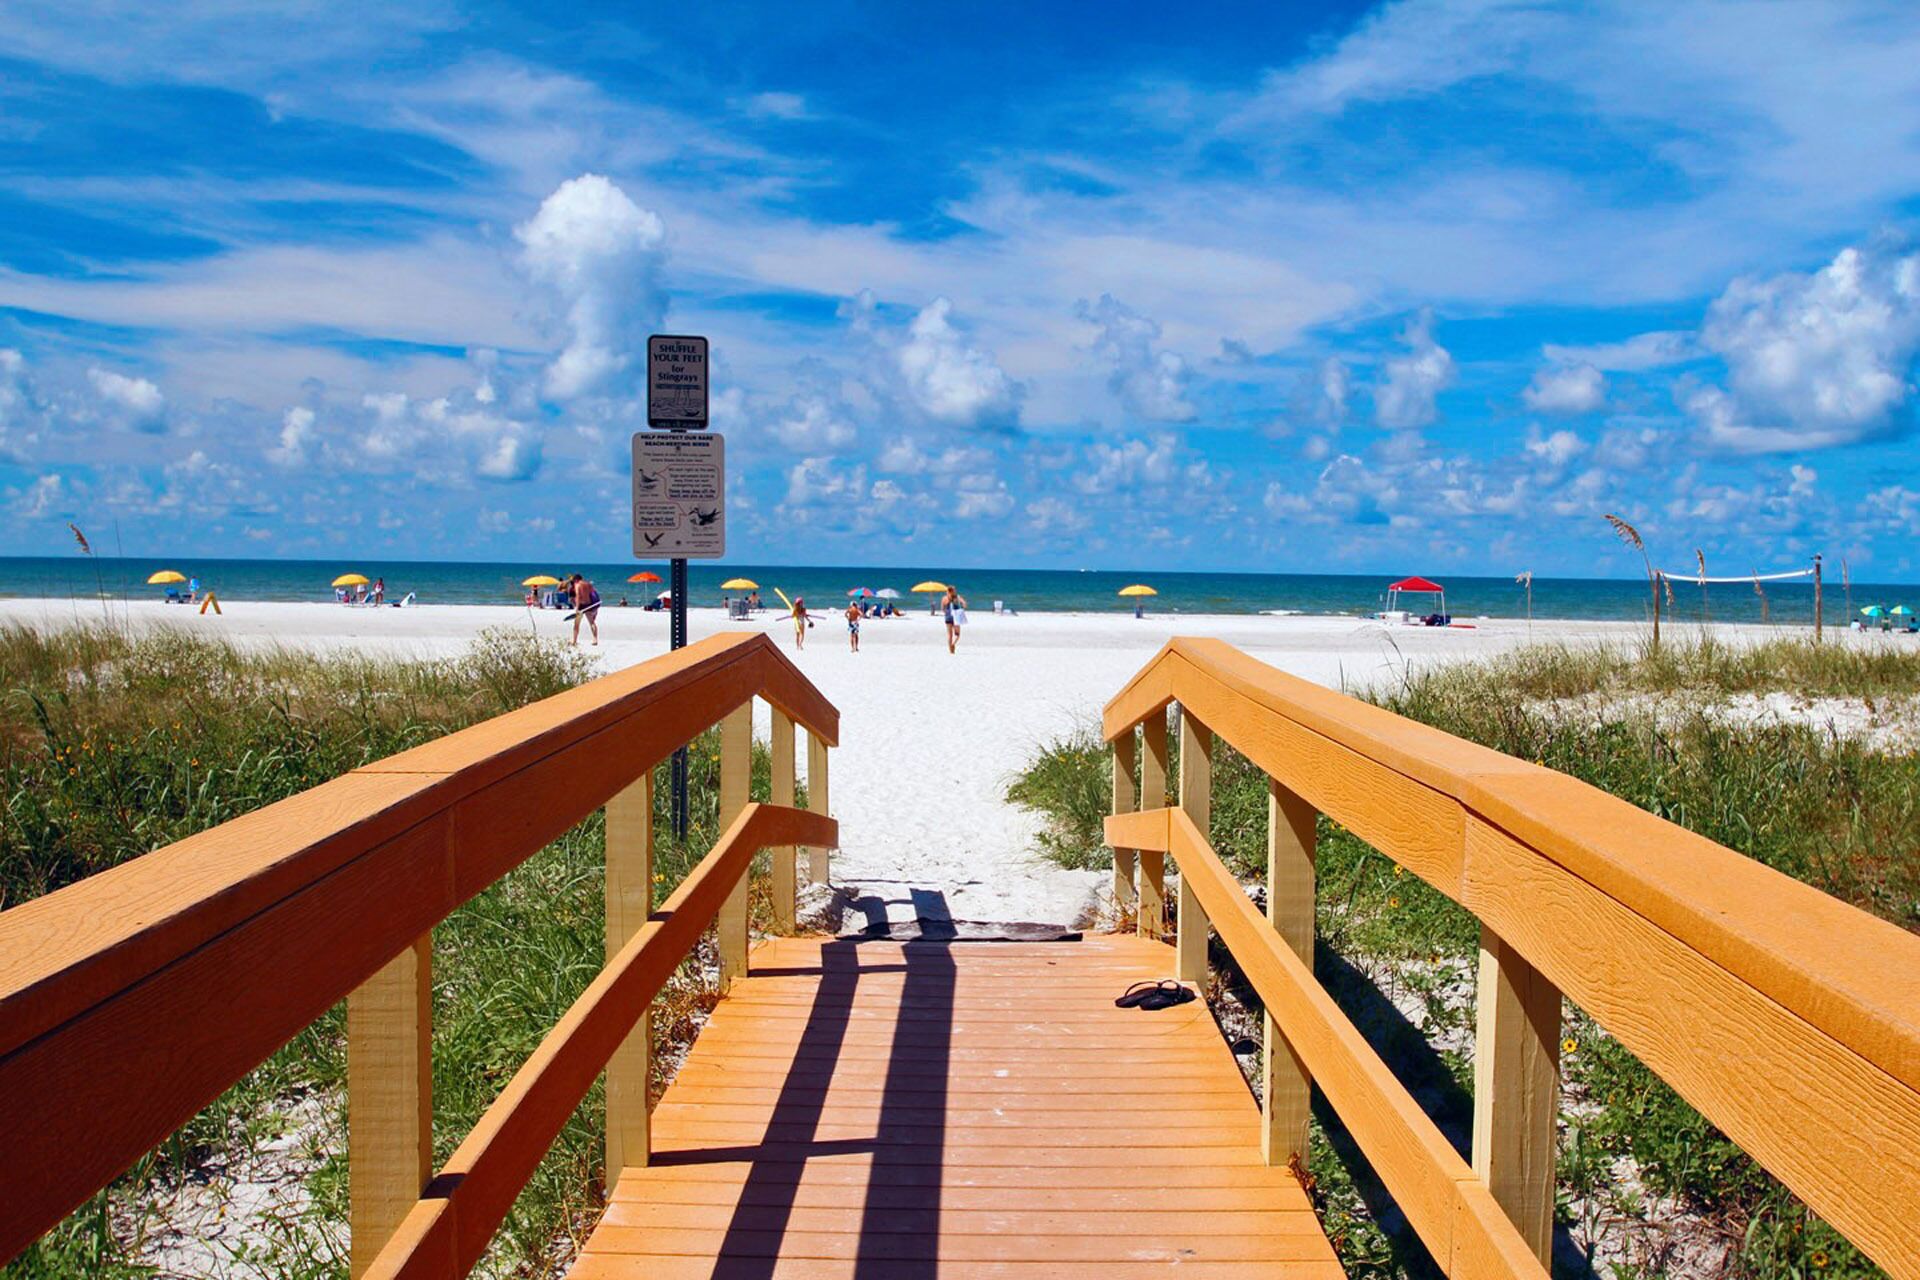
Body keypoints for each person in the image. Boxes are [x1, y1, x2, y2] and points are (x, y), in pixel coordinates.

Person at [570, 572, 601, 646]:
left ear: (576, 580)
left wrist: (577, 608)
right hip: (589, 604)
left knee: (576, 624)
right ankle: (595, 639)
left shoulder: (577, 585)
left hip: (581, 605)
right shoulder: (588, 584)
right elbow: (594, 594)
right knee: (592, 622)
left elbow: (578, 596)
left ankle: (574, 641)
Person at [942, 584, 968, 655]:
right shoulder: (957, 597)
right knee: (957, 634)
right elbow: (965, 604)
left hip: (948, 617)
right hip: (956, 617)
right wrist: (962, 608)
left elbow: (943, 609)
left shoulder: (944, 598)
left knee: (949, 635)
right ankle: (953, 644)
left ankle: (951, 651)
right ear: (953, 591)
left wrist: (947, 613)